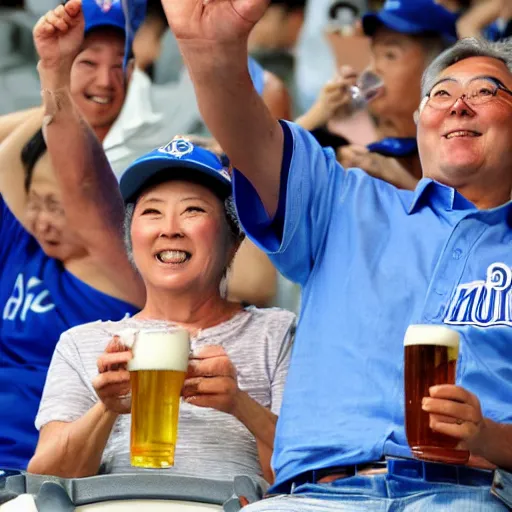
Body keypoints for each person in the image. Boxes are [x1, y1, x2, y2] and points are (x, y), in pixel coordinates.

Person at [162, 0, 512, 506]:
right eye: (441, 94)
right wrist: (213, 54)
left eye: (485, 91)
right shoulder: (346, 200)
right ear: (418, 121)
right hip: (316, 497)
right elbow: (253, 140)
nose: (458, 104)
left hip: (467, 495)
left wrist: (486, 436)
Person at [0, 0, 144, 472]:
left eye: (115, 65)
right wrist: (55, 88)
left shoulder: (117, 251)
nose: (104, 80)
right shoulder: (21, 236)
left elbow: (87, 192)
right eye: (88, 61)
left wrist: (59, 84)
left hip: (40, 471)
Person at [299, 0, 459, 190]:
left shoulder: (460, 148)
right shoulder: (353, 156)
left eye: (390, 55)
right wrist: (318, 114)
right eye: (373, 56)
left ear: (438, 70)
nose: (373, 69)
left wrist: (402, 181)